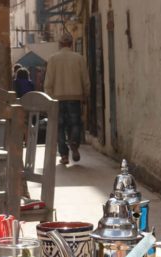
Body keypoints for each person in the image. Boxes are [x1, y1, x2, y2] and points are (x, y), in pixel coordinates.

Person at [44, 33, 90, 165]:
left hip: (57, 98)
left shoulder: (52, 59)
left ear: (60, 44)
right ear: (71, 44)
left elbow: (48, 82)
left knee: (60, 127)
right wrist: (85, 95)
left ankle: (64, 155)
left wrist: (50, 98)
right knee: (75, 124)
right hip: (75, 97)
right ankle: (74, 143)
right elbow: (85, 80)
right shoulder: (79, 58)